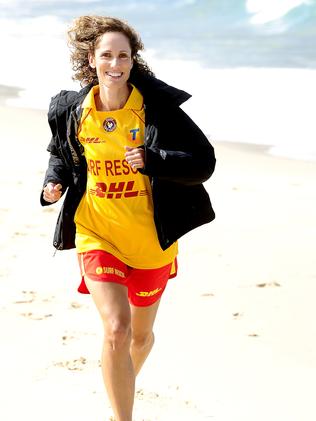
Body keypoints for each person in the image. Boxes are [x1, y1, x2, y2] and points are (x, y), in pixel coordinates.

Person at [41, 15, 216, 421]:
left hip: (151, 239)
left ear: (133, 60)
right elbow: (61, 156)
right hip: (97, 230)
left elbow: (203, 163)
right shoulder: (74, 109)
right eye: (107, 55)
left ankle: (120, 388)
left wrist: (155, 160)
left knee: (139, 337)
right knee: (117, 329)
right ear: (92, 58)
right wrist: (54, 184)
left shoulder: (156, 110)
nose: (115, 64)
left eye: (123, 55)